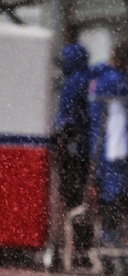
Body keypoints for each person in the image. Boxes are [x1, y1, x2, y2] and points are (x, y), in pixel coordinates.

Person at [90, 43, 128, 272]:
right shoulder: (114, 82)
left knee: (110, 202)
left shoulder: (103, 79)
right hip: (115, 154)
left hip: (110, 154)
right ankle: (113, 248)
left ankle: (111, 246)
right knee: (114, 201)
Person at [55, 39, 93, 262]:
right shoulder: (90, 79)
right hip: (87, 149)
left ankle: (74, 247)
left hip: (73, 150)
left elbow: (66, 120)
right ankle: (83, 248)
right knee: (83, 199)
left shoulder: (72, 83)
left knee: (71, 198)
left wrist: (60, 135)